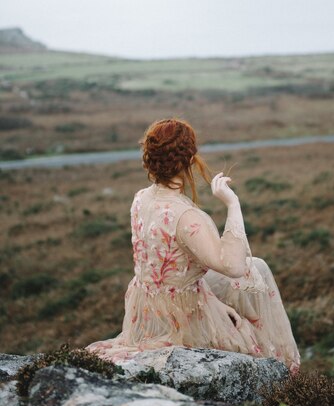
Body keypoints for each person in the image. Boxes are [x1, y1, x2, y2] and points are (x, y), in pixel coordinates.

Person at [85, 118, 300, 374]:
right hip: (180, 315)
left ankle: (247, 331)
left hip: (146, 305)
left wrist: (217, 303)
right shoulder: (187, 216)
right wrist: (233, 204)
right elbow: (232, 266)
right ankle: (283, 367)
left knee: (257, 268)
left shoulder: (141, 198)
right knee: (255, 271)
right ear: (189, 160)